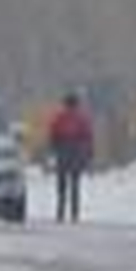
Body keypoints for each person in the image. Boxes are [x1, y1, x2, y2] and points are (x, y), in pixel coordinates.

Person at [45, 90, 95, 224]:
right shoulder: (81, 118)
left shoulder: (59, 117)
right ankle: (74, 214)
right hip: (76, 152)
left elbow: (53, 135)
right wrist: (88, 154)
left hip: (63, 151)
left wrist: (53, 151)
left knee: (62, 185)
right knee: (75, 185)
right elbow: (87, 137)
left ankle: (60, 212)